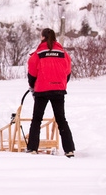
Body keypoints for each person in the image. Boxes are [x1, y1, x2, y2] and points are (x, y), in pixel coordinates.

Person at [26, 28, 75, 157]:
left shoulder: (37, 54)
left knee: (37, 120)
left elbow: (31, 73)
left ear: (42, 37)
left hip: (41, 90)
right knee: (61, 120)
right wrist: (61, 84)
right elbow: (67, 73)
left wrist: (32, 87)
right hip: (59, 90)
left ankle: (32, 148)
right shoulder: (64, 54)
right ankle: (69, 150)